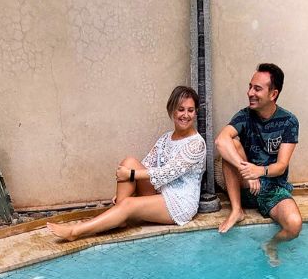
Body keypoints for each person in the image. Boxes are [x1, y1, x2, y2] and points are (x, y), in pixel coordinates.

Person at [47, 86, 206, 241]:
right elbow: (145, 164)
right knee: (129, 162)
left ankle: (75, 231)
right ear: (172, 110)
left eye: (190, 110)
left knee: (129, 201)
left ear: (195, 112)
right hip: (160, 193)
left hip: (180, 203)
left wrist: (130, 175)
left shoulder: (196, 144)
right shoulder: (166, 138)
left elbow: (166, 173)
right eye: (181, 109)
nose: (185, 115)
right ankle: (120, 216)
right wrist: (129, 179)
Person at [215, 63, 301, 264]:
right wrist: (247, 171)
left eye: (257, 88)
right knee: (231, 145)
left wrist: (258, 171)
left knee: (294, 225)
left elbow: (281, 166)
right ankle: (237, 210)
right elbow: (221, 141)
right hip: (246, 187)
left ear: (273, 94)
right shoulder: (244, 116)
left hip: (274, 189)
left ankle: (271, 244)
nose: (250, 93)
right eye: (250, 87)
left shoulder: (289, 121)